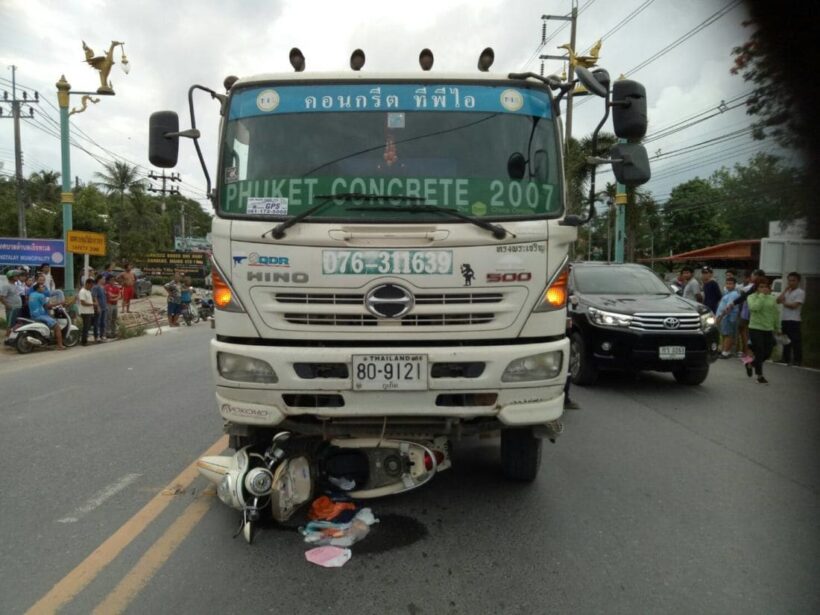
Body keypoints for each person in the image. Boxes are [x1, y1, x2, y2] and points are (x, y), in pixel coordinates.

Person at [745, 277, 780, 384]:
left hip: (768, 328)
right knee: (759, 351)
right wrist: (761, 296)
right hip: (755, 328)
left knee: (767, 353)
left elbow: (775, 313)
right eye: (761, 287)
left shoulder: (772, 298)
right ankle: (760, 376)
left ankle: (750, 364)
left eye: (766, 286)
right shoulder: (751, 297)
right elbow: (754, 308)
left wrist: (777, 327)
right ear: (756, 288)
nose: (764, 289)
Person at [777, 271, 804, 366]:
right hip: (785, 318)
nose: (791, 282)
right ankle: (785, 358)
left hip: (794, 319)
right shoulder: (787, 291)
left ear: (798, 281)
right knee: (785, 340)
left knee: (795, 340)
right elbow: (778, 300)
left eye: (793, 280)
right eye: (789, 281)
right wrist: (784, 291)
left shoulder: (800, 292)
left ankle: (797, 360)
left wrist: (784, 303)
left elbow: (794, 305)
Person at [28, 281, 65, 350]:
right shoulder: (41, 295)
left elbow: (41, 305)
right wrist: (60, 303)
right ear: (38, 288)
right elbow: (48, 306)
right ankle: (60, 345)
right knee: (57, 327)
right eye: (42, 287)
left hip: (33, 315)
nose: (44, 288)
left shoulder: (31, 294)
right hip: (40, 315)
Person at [715, 277, 740, 359]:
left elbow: (729, 307)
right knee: (725, 334)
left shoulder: (734, 294)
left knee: (727, 335)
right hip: (724, 317)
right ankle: (725, 350)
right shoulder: (727, 293)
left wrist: (720, 317)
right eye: (727, 284)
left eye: (730, 284)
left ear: (734, 285)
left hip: (727, 317)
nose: (728, 285)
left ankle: (725, 352)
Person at [1, 269, 23, 334]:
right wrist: (7, 305)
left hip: (17, 307)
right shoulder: (6, 286)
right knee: (10, 323)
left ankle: (12, 336)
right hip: (12, 308)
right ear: (11, 277)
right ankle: (7, 337)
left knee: (15, 323)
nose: (18, 277)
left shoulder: (15, 285)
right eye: (16, 276)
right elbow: (1, 297)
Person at [77, 277, 96, 346]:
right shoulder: (82, 291)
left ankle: (85, 339)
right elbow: (83, 303)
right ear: (87, 284)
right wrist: (93, 304)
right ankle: (84, 341)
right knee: (86, 327)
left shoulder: (88, 291)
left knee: (88, 327)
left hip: (90, 311)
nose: (91, 287)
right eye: (91, 285)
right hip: (85, 312)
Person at [91, 274, 108, 342]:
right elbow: (94, 297)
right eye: (103, 279)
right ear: (99, 279)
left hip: (104, 307)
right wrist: (97, 306)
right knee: (97, 322)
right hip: (99, 307)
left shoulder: (103, 287)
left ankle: (102, 335)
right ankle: (96, 336)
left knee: (103, 322)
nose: (104, 280)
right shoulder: (95, 287)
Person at [104, 274, 122, 338]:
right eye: (111, 280)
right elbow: (109, 295)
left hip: (115, 304)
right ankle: (107, 332)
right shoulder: (106, 286)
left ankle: (113, 332)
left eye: (113, 280)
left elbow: (119, 295)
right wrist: (115, 296)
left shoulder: (116, 287)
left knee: (114, 319)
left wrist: (114, 297)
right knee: (108, 319)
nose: (113, 281)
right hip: (109, 304)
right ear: (108, 280)